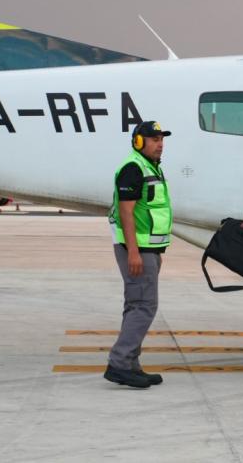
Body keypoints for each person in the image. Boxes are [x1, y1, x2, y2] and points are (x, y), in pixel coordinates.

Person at [104, 121, 173, 388]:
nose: (160, 143)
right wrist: (134, 251)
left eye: (161, 139)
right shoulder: (133, 168)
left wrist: (155, 252)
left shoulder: (150, 167)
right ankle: (120, 362)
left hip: (147, 249)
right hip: (136, 249)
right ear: (139, 142)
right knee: (145, 306)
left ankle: (130, 363)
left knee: (136, 304)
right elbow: (126, 213)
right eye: (154, 139)